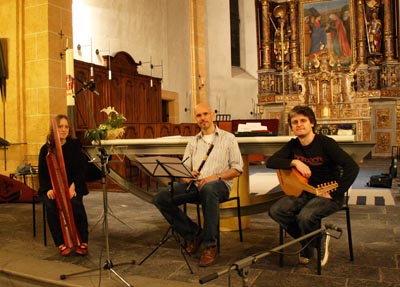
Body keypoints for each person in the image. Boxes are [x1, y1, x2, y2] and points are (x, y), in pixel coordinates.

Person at [267, 105, 359, 267]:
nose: (299, 124)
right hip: (305, 192)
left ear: (312, 123)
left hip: (328, 194)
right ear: (291, 127)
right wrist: (295, 161)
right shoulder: (293, 145)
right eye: (294, 122)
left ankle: (310, 243)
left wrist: (337, 193)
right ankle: (313, 242)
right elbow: (271, 162)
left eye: (303, 120)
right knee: (276, 211)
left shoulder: (326, 143)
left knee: (305, 216)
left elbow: (352, 167)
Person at [153, 102, 243, 267]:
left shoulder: (228, 138)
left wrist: (214, 177)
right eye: (199, 116)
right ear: (195, 119)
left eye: (205, 114)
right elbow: (184, 170)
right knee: (161, 197)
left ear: (212, 115)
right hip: (195, 186)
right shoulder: (193, 142)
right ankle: (193, 233)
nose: (203, 118)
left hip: (219, 186)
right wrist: (189, 176)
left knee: (209, 189)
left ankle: (210, 245)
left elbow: (237, 169)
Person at [38, 114, 89, 256]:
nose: (63, 129)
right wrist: (48, 188)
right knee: (51, 206)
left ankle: (83, 240)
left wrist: (73, 187)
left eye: (66, 127)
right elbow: (42, 172)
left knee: (76, 203)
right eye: (60, 127)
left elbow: (81, 169)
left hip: (73, 185)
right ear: (54, 129)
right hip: (52, 187)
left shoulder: (74, 145)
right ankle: (60, 242)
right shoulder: (46, 149)